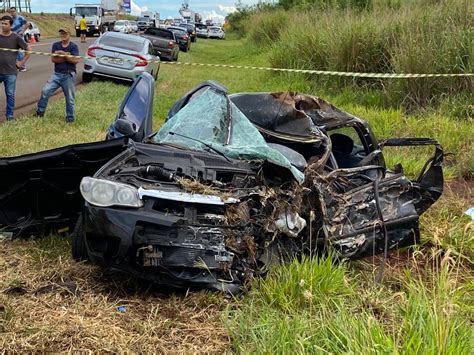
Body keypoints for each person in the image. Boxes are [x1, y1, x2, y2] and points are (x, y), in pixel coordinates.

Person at [36, 28, 80, 123]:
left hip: (68, 74)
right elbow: (54, 60)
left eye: (65, 33)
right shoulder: (55, 45)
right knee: (45, 91)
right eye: (61, 33)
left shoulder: (73, 47)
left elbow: (75, 60)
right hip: (57, 74)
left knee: (70, 98)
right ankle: (40, 112)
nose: (63, 35)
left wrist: (62, 54)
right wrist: (67, 56)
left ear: (69, 34)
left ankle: (70, 118)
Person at [0, 15, 30, 121]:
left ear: (11, 25)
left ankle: (9, 116)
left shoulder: (16, 37)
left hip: (10, 72)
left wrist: (21, 63)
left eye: (5, 23)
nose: (3, 25)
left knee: (10, 94)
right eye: (2, 23)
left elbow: (28, 50)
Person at [9, 7, 29, 72]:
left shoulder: (20, 18)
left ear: (16, 11)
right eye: (11, 11)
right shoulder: (10, 19)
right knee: (14, 52)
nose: (12, 13)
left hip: (20, 37)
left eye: (13, 11)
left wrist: (22, 31)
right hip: (12, 37)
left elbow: (27, 24)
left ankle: (22, 66)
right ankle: (17, 65)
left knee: (20, 52)